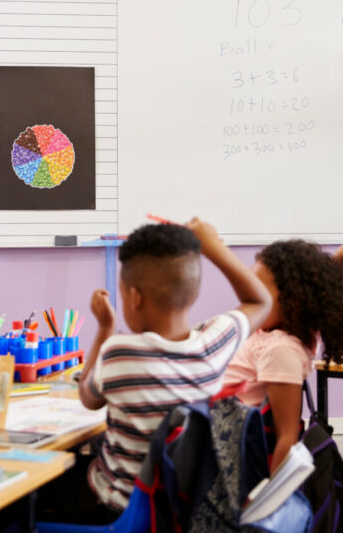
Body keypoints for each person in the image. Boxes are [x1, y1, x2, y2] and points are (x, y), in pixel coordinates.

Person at [59, 219, 271, 522]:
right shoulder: (215, 344)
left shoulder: (119, 351)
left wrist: (105, 327)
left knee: (10, 503)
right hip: (180, 506)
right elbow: (260, 300)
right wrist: (212, 245)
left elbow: (88, 398)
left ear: (135, 297)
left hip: (118, 506)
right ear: (193, 293)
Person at [223, 165, 343, 472]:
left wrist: (271, 508)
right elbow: (340, 267)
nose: (251, 296)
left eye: (261, 291)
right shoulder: (281, 332)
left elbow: (286, 438)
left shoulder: (280, 349)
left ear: (295, 301)